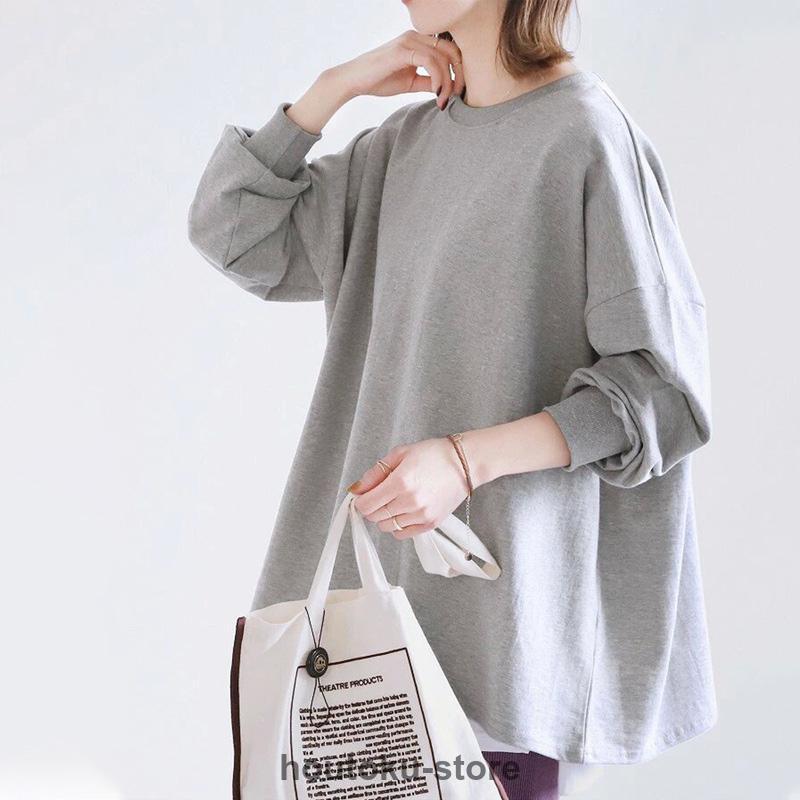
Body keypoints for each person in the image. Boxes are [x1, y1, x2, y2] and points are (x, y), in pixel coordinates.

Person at [187, 1, 717, 797]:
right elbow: (234, 233)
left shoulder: (585, 136)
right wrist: (331, 90)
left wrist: (465, 462)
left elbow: (659, 392)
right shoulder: (401, 148)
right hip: (368, 646)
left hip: (504, 638)